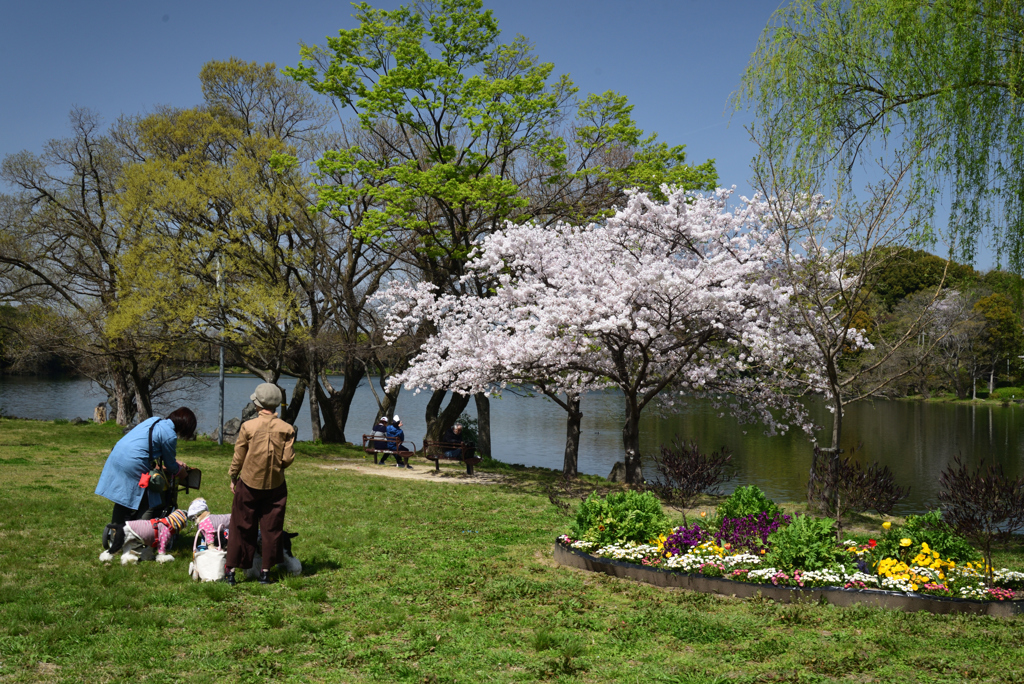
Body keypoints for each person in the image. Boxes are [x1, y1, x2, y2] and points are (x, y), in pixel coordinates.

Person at [95, 407, 196, 556]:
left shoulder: (153, 421)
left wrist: (172, 462)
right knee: (149, 501)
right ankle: (138, 540)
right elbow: (170, 466)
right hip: (133, 462)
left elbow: (148, 446)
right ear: (185, 426)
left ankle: (116, 533)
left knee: (123, 499)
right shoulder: (170, 436)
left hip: (117, 455)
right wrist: (181, 472)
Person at [224, 383, 296, 585]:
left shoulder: (248, 427)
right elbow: (288, 459)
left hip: (248, 483)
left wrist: (233, 476)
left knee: (240, 526)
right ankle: (265, 572)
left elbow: (239, 456)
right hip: (276, 485)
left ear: (258, 404)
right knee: (272, 529)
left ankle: (231, 572)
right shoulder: (287, 429)